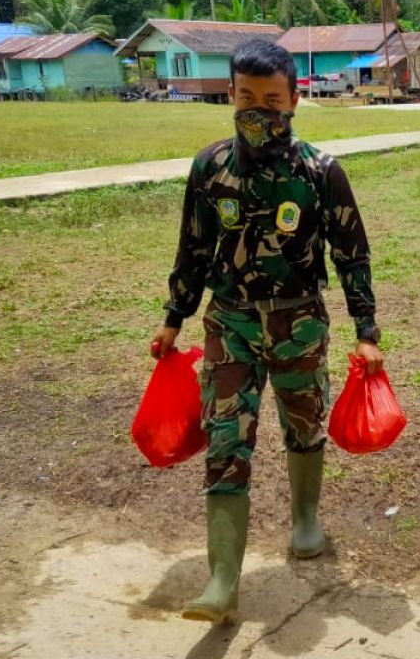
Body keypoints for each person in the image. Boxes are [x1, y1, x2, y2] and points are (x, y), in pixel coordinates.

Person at [150, 39, 383, 624]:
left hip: (299, 321)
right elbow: (194, 249)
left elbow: (352, 253)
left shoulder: (320, 170)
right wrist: (174, 318)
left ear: (295, 100)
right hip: (228, 324)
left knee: (304, 425)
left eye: (271, 100)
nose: (259, 111)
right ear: (230, 95)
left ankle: (306, 520)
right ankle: (223, 580)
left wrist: (366, 329)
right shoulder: (210, 168)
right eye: (246, 98)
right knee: (226, 442)